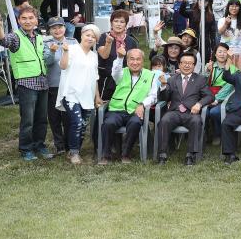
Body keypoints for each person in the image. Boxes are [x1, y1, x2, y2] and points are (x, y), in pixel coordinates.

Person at [0, 8, 55, 161]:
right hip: (26, 84)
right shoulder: (16, 37)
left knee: (41, 118)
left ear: (36, 20)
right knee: (28, 120)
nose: (27, 21)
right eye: (24, 18)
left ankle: (39, 144)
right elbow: (2, 40)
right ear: (19, 20)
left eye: (30, 18)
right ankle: (26, 148)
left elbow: (45, 58)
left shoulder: (40, 38)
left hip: (42, 83)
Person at [99, 48, 158, 164]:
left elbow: (153, 96)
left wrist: (142, 104)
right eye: (132, 59)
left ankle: (126, 154)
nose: (135, 62)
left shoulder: (151, 75)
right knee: (109, 123)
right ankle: (106, 155)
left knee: (135, 123)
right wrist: (119, 58)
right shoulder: (121, 73)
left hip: (135, 111)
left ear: (143, 61)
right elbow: (115, 71)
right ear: (127, 60)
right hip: (117, 110)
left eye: (138, 59)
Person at [56, 24, 102, 164]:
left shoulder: (94, 56)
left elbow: (95, 78)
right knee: (76, 122)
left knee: (82, 125)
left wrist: (97, 96)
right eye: (88, 35)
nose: (90, 38)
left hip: (87, 95)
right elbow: (63, 66)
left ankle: (75, 149)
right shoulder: (71, 49)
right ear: (81, 35)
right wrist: (64, 52)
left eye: (93, 37)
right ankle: (74, 152)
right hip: (71, 93)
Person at [156, 51, 212, 165]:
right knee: (164, 120)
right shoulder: (172, 79)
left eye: (190, 63)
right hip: (175, 112)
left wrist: (199, 104)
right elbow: (164, 98)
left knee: (196, 121)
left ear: (194, 65)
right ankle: (162, 154)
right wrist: (163, 86)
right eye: (184, 63)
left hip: (191, 112)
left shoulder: (200, 79)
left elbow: (210, 96)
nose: (187, 65)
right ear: (179, 64)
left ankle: (190, 155)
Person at [42, 17, 76, 156]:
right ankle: (59, 145)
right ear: (50, 30)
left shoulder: (73, 42)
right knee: (55, 117)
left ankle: (69, 143)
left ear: (64, 28)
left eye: (60, 27)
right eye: (54, 28)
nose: (57, 30)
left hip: (69, 85)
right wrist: (52, 51)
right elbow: (47, 62)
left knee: (68, 115)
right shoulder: (45, 43)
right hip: (53, 85)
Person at [96, 10, 138, 102]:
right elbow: (104, 55)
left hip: (124, 80)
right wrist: (108, 42)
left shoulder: (131, 41)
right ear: (111, 23)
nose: (118, 24)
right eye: (116, 21)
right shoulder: (104, 37)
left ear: (126, 24)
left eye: (122, 22)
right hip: (106, 79)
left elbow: (135, 62)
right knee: (103, 107)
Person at [205, 44, 238, 144]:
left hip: (225, 98)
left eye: (225, 52)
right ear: (215, 54)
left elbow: (229, 86)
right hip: (209, 96)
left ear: (228, 54)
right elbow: (203, 84)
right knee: (204, 112)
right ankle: (205, 134)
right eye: (220, 51)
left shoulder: (233, 69)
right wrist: (207, 71)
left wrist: (217, 99)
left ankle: (217, 134)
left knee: (214, 112)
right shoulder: (210, 66)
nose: (222, 54)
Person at [218, 0, 241, 68]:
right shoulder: (222, 20)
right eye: (232, 6)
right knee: (226, 73)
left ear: (239, 8)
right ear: (228, 7)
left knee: (238, 74)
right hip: (225, 53)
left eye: (236, 6)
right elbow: (220, 32)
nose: (234, 8)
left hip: (239, 53)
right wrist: (226, 24)